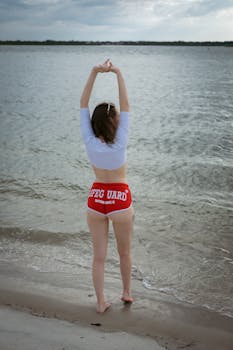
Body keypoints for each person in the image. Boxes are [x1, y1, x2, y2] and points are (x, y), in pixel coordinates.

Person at [80, 59, 134, 313]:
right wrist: (117, 73)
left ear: (93, 122)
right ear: (115, 121)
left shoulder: (89, 140)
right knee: (124, 252)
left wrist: (94, 72)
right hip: (120, 198)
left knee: (99, 257)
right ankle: (126, 293)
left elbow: (83, 104)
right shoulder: (120, 139)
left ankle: (100, 302)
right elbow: (126, 106)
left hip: (96, 197)